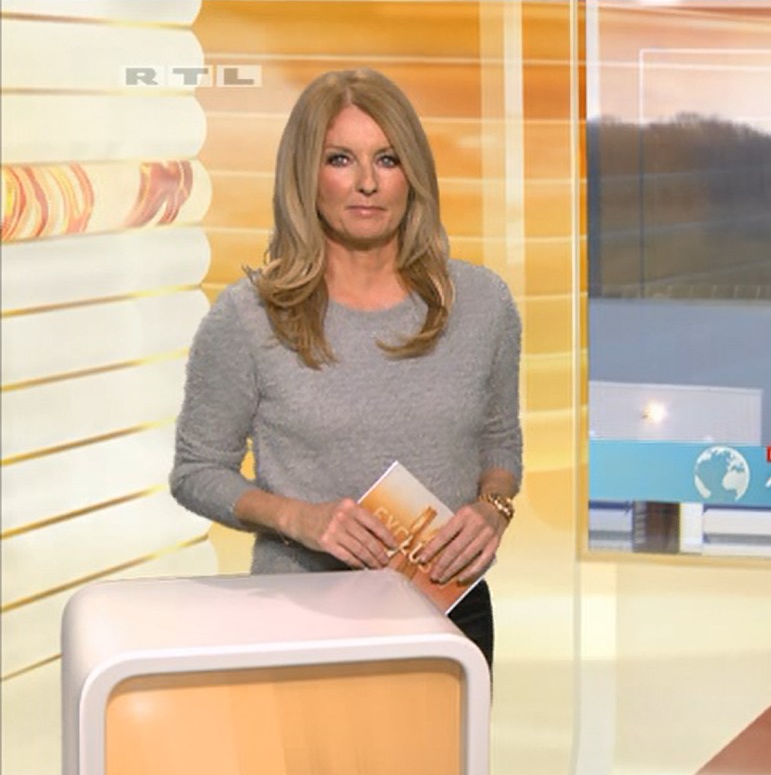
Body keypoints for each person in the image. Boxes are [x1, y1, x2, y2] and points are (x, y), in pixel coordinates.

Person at [171, 68, 521, 670]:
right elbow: (197, 471)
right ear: (306, 174)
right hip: (303, 615)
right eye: (340, 159)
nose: (367, 183)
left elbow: (500, 442)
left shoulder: (484, 303)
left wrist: (494, 508)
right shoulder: (249, 317)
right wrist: (297, 519)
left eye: (387, 159)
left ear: (413, 173)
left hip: (449, 614)